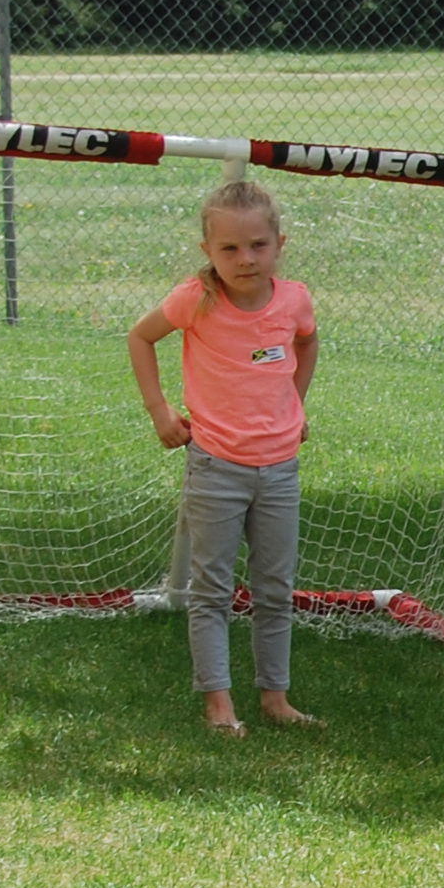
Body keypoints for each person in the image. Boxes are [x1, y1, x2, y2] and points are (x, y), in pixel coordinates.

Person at [128, 179, 321, 738]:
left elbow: (306, 342)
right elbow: (140, 338)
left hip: (280, 468)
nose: (246, 258)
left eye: (258, 245)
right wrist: (160, 410)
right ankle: (218, 703)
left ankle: (275, 698)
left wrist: (295, 404)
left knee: (274, 587)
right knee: (211, 590)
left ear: (280, 243)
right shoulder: (197, 298)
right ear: (208, 251)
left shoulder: (294, 299)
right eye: (230, 248)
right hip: (216, 466)